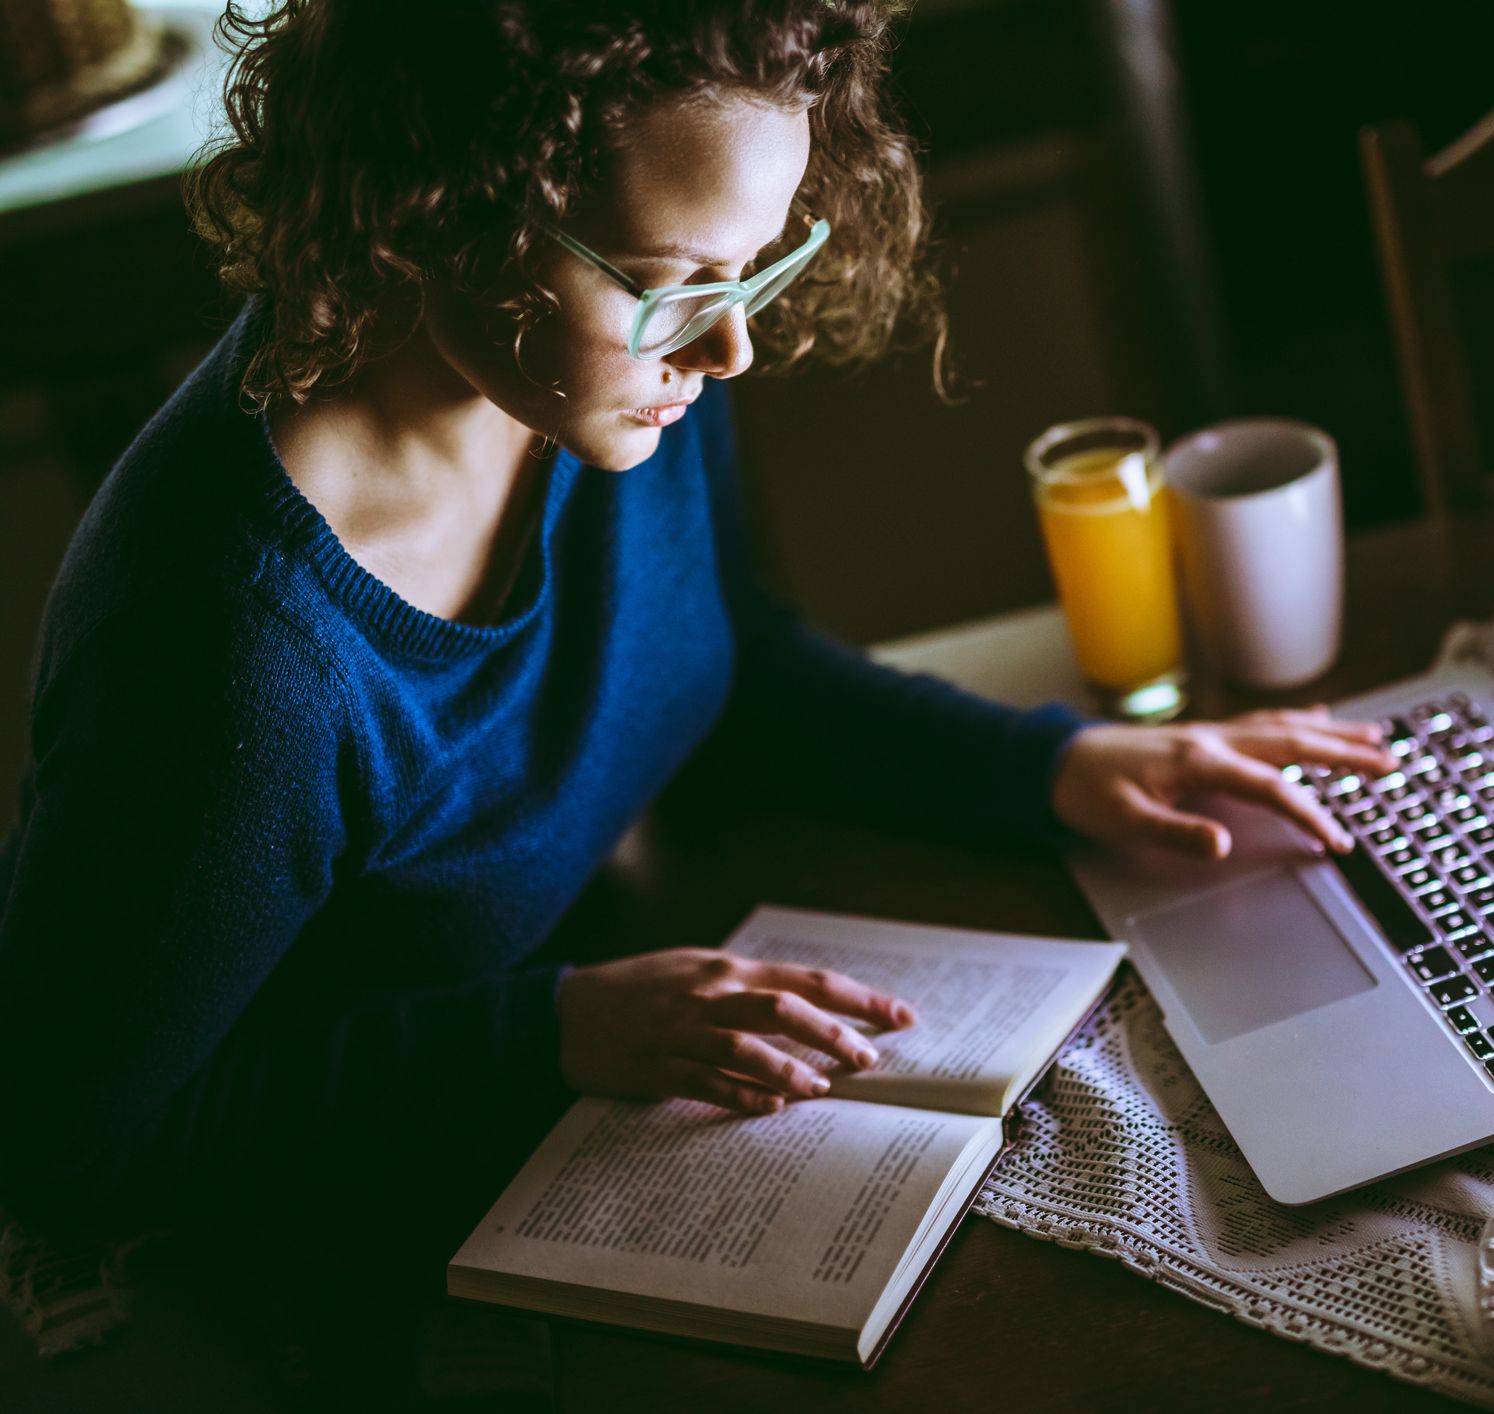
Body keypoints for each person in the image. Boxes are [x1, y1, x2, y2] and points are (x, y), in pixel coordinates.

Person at [0, 0, 1394, 1268]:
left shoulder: (591, 377)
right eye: (674, 285)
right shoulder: (239, 661)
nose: (727, 351)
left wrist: (1056, 767)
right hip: (338, 1250)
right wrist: (551, 1030)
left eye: (753, 271)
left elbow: (723, 670)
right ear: (443, 206)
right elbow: (71, 1145)